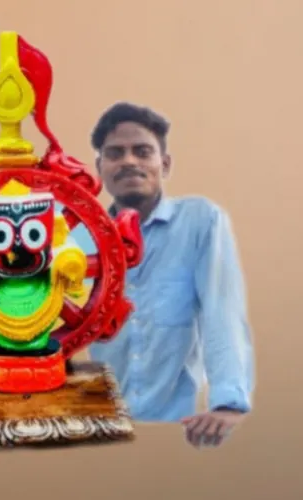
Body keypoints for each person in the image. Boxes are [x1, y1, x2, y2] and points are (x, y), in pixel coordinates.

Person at [88, 102, 255, 448]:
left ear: (164, 164)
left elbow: (222, 313)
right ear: (99, 168)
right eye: (115, 153)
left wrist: (227, 404)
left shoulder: (200, 222)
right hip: (103, 431)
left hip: (180, 434)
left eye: (142, 151)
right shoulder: (82, 238)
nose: (129, 161)